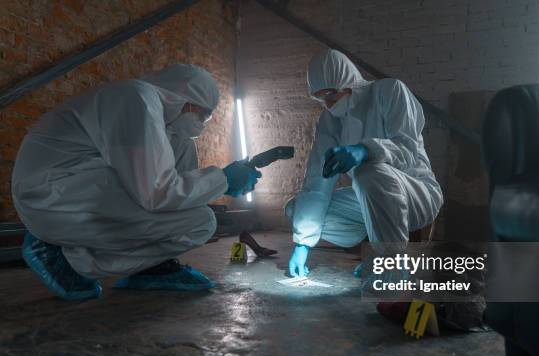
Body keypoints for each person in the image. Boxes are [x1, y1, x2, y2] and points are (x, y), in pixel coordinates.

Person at [12, 64, 260, 300]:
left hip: (79, 190)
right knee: (192, 214)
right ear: (183, 98)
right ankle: (59, 253)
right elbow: (157, 192)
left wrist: (219, 185)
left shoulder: (169, 128)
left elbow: (175, 197)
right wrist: (223, 178)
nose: (203, 122)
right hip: (49, 193)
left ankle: (143, 266)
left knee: (199, 222)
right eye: (203, 113)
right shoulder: (136, 97)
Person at [285, 49, 443, 278]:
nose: (328, 105)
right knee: (295, 209)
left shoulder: (389, 92)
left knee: (368, 172)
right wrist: (303, 243)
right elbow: (317, 180)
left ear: (347, 82)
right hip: (370, 197)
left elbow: (407, 151)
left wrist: (365, 150)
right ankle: (375, 253)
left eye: (331, 95)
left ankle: (394, 270)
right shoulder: (330, 121)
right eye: (321, 99)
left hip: (416, 193)